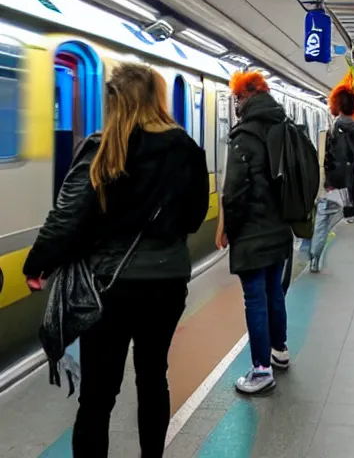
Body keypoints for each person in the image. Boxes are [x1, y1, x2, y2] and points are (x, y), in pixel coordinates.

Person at [23, 63, 210, 457]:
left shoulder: (102, 149)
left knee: (97, 394)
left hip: (108, 287)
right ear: (155, 99)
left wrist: (37, 263)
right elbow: (194, 218)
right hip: (166, 283)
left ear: (114, 104)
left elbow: (68, 216)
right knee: (153, 379)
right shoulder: (188, 150)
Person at [216, 71, 292, 395]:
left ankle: (261, 370)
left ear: (246, 96)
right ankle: (280, 351)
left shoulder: (243, 136)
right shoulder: (282, 127)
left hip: (252, 232)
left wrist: (227, 229)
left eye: (236, 98)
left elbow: (234, 191)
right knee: (274, 291)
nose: (235, 104)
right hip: (279, 229)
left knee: (255, 299)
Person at [310, 85, 354, 272]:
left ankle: (314, 256)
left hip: (334, 185)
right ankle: (317, 252)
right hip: (350, 187)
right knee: (332, 219)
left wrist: (328, 183)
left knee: (322, 221)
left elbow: (331, 159)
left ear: (337, 105)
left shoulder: (333, 129)